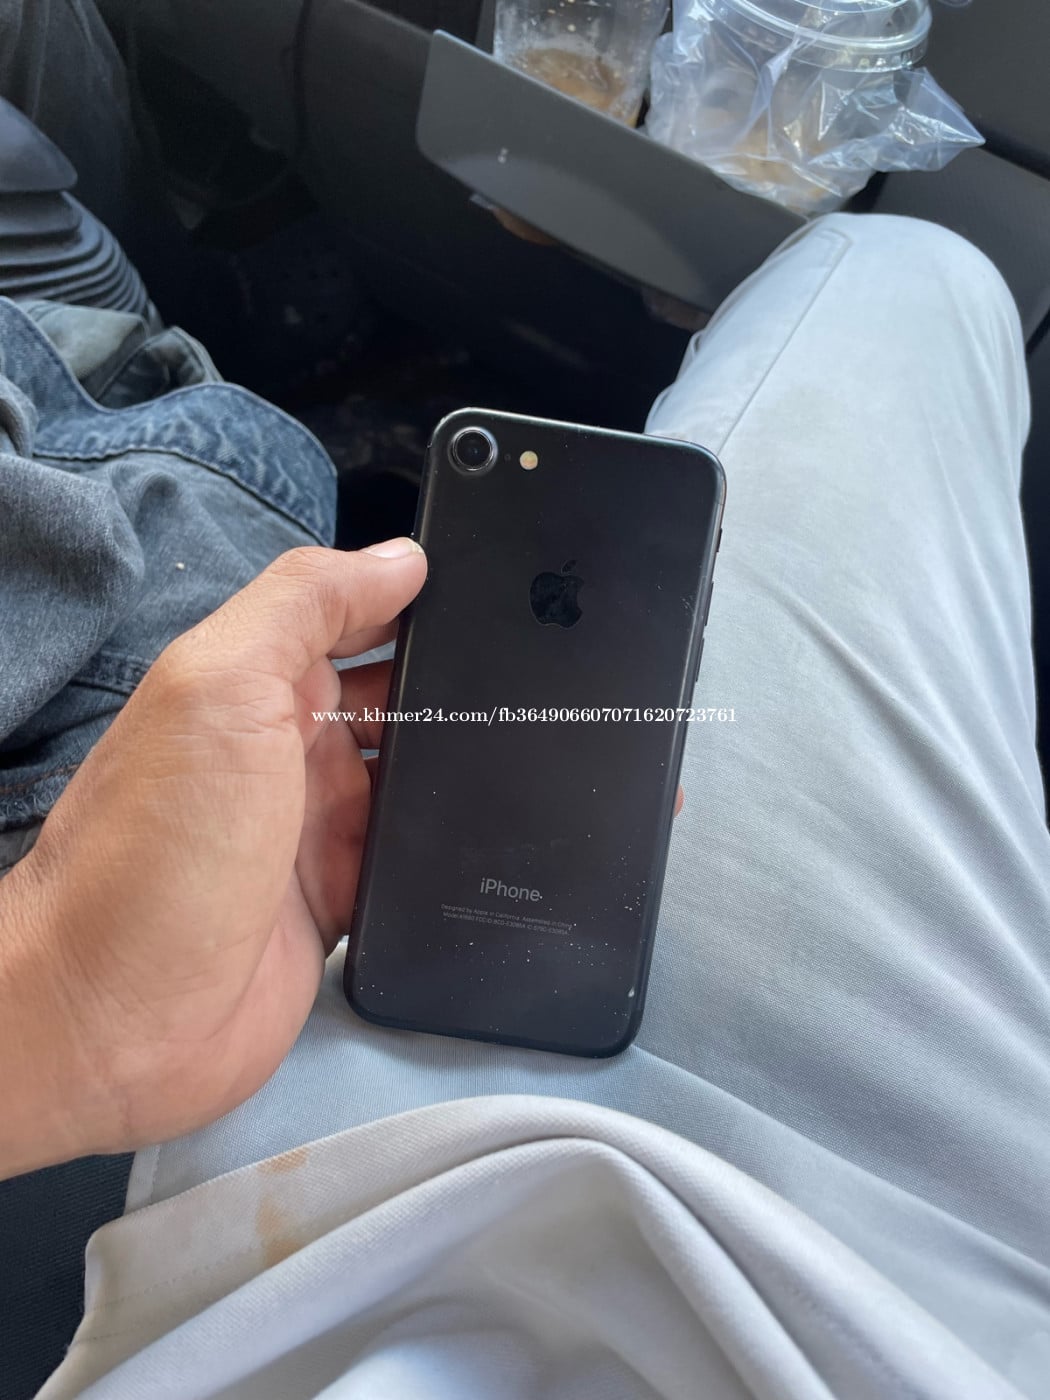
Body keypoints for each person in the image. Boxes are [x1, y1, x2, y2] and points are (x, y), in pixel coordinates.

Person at [2, 5, 1049, 1399]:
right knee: (907, 266)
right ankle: (248, 374)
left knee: (219, 470)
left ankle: (264, 368)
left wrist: (66, 1007)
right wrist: (56, 1009)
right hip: (917, 1298)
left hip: (263, 1225)